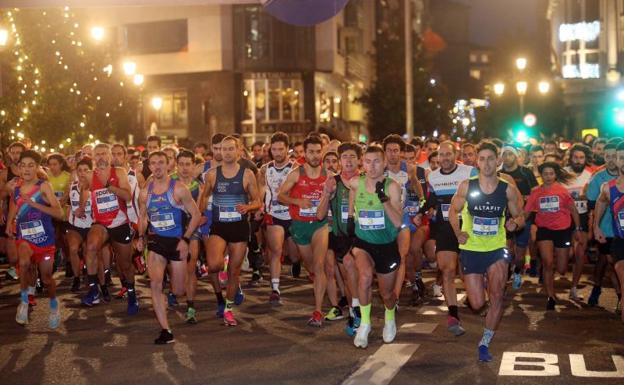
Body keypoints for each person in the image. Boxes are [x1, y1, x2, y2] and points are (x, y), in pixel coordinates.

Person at [449, 141, 525, 362]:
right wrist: (457, 232)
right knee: (477, 303)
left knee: (497, 295)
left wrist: (515, 224)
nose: (486, 163)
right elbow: (453, 212)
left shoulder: (507, 188)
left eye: (490, 158)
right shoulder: (466, 185)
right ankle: (480, 286)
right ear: (477, 162)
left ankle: (485, 341)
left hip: (496, 247)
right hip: (471, 248)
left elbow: (519, 215)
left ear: (498, 161)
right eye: (481, 159)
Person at [137, 150, 200, 344]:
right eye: (153, 163)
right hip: (156, 242)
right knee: (155, 284)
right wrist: (140, 236)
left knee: (178, 289)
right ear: (149, 166)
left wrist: (186, 240)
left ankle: (171, 285)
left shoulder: (179, 189)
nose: (157, 166)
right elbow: (143, 217)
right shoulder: (145, 193)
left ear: (168, 165)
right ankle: (166, 330)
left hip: (177, 242)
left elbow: (196, 215)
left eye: (161, 163)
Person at [201, 136, 261, 326]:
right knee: (213, 265)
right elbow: (203, 198)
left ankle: (227, 308)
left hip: (239, 227)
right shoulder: (212, 174)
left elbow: (258, 201)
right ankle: (220, 292)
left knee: (234, 272)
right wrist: (200, 213)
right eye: (223, 149)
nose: (226, 153)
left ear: (239, 150)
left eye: (230, 149)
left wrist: (248, 207)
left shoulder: (247, 174)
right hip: (219, 226)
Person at [348, 145, 404, 348]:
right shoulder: (356, 183)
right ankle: (364, 324)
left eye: (377, 161)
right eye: (368, 161)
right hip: (363, 242)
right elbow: (353, 200)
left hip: (386, 245)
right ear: (363, 162)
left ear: (385, 163)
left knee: (387, 294)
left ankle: (390, 317)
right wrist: (351, 219)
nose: (372, 166)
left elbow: (398, 223)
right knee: (363, 276)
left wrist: (385, 200)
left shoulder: (392, 187)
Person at [423, 140, 477, 335]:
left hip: (468, 227)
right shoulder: (433, 177)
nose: (444, 158)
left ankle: (478, 298)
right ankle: (453, 315)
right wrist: (423, 210)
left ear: (456, 155)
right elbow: (431, 199)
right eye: (441, 155)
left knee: (469, 272)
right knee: (447, 270)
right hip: (445, 227)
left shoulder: (470, 172)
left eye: (448, 154)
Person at [7, 150, 64, 328]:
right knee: (23, 263)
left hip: (45, 239)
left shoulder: (43, 187)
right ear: (18, 168)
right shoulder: (16, 188)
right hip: (25, 236)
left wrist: (34, 204)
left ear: (37, 167)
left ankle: (54, 306)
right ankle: (24, 302)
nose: (26, 169)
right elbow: (14, 205)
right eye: (23, 165)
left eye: (31, 165)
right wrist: (10, 222)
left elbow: (59, 213)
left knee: (46, 279)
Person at [278, 134, 329, 327]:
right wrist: (298, 201)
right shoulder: (296, 173)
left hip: (319, 224)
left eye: (318, 151)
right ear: (305, 153)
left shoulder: (328, 175)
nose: (315, 155)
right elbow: (281, 196)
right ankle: (315, 280)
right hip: (299, 226)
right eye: (311, 152)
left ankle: (317, 311)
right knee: (311, 267)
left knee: (319, 264)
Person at [81, 143, 138, 315]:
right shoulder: (90, 176)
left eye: (104, 153)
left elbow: (127, 196)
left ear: (110, 156)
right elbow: (83, 191)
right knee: (90, 246)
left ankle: (132, 295)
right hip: (101, 223)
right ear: (93, 157)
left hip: (120, 223)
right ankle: (93, 289)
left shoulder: (119, 172)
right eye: (97, 154)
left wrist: (108, 185)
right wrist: (81, 205)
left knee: (125, 264)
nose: (100, 157)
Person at [524, 162, 581, 310]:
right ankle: (550, 295)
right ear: (541, 176)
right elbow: (527, 212)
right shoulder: (535, 192)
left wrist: (578, 229)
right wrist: (517, 221)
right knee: (548, 262)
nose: (548, 177)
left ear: (555, 175)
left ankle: (565, 255)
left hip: (563, 230)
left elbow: (574, 210)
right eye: (545, 174)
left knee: (561, 269)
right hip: (544, 230)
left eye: (551, 173)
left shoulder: (562, 191)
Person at [318, 142, 362, 324]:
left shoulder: (367, 180)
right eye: (345, 157)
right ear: (339, 161)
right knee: (348, 274)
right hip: (342, 237)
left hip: (364, 236)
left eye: (352, 156)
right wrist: (327, 194)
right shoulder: (332, 182)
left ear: (360, 160)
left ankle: (359, 308)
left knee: (361, 275)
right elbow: (320, 214)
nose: (349, 160)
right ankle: (355, 311)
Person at [256, 132, 296, 305]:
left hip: (294, 215)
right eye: (274, 149)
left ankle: (297, 264)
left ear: (287, 149)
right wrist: (259, 206)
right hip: (274, 214)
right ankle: (275, 288)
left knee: (295, 256)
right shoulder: (265, 169)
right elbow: (261, 190)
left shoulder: (296, 168)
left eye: (281, 149)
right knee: (276, 250)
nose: (278, 153)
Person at [171, 149, 204, 323]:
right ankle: (173, 289)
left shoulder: (198, 186)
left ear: (193, 166)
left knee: (190, 267)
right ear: (176, 165)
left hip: (191, 230)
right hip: (171, 230)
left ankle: (191, 307)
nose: (184, 168)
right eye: (181, 164)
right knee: (174, 266)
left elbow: (198, 212)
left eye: (188, 164)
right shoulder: (169, 182)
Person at [586, 139, 621, 306]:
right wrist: (594, 227)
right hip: (606, 229)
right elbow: (593, 205)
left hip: (620, 231)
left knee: (611, 261)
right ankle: (599, 288)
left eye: (615, 156)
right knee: (608, 260)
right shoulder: (599, 179)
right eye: (608, 156)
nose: (612, 160)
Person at [593, 141, 624, 322]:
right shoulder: (608, 187)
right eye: (621, 158)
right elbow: (601, 201)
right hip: (620, 241)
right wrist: (596, 226)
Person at [501, 145, 538, 289]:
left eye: (510, 154)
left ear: (516, 156)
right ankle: (506, 272)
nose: (507, 157)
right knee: (507, 248)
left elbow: (535, 193)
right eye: (504, 154)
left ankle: (517, 271)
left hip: (524, 215)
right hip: (506, 216)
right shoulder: (500, 173)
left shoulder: (526, 172)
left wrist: (523, 199)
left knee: (520, 253)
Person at [563, 144, 593, 300]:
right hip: (564, 217)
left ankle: (574, 288)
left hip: (582, 216)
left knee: (580, 252)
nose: (578, 161)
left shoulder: (591, 174)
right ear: (570, 158)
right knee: (566, 254)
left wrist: (586, 197)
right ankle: (548, 270)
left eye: (581, 158)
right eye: (575, 157)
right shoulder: (563, 173)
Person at [65, 158, 94, 292]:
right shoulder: (71, 186)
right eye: (80, 170)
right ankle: (76, 278)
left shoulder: (96, 187)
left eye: (86, 170)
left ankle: (90, 276)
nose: (82, 173)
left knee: (89, 251)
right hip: (75, 225)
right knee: (73, 249)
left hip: (92, 225)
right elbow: (64, 202)